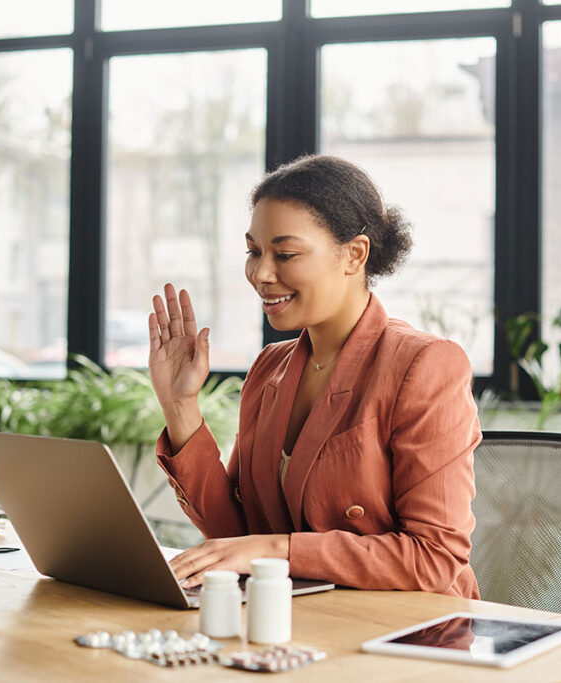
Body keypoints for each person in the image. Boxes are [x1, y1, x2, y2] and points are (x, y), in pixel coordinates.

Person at [148, 154, 481, 598]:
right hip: (301, 623)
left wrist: (279, 549)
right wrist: (179, 406)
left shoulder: (424, 365)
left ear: (354, 254)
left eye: (285, 254)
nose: (261, 273)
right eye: (253, 252)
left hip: (409, 637)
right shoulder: (270, 367)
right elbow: (234, 534)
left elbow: (434, 557)